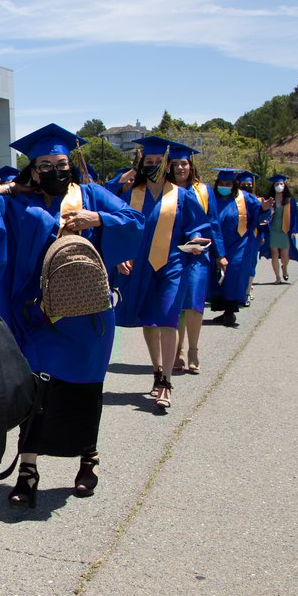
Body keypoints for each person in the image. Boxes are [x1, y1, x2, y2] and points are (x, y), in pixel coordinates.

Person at [0, 125, 142, 506]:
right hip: (36, 314)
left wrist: (99, 220)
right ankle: (27, 468)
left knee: (85, 387)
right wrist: (11, 188)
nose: (55, 170)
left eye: (61, 163)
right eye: (45, 164)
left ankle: (87, 458)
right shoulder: (19, 202)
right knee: (36, 390)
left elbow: (135, 222)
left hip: (86, 313)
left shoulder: (90, 195)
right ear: (33, 168)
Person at [110, 137, 212, 411]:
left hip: (172, 264)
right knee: (149, 320)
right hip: (139, 266)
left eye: (158, 162)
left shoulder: (181, 195)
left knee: (167, 318)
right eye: (149, 162)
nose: (154, 166)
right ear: (141, 164)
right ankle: (156, 370)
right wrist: (119, 255)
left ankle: (166, 381)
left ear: (167, 165)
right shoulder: (131, 194)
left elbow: (198, 226)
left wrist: (196, 241)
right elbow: (116, 226)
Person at [166, 144, 226, 374]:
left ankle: (193, 351)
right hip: (173, 254)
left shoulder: (204, 191)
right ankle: (178, 351)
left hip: (198, 254)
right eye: (175, 164)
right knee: (177, 304)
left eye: (184, 163)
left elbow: (213, 224)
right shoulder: (165, 190)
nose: (180, 167)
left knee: (194, 303)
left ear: (191, 166)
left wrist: (220, 255)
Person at [207, 169, 261, 327]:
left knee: (233, 275)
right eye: (222, 184)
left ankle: (230, 312)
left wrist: (264, 209)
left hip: (239, 244)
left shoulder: (245, 199)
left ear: (234, 185)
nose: (225, 186)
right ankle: (224, 311)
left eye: (228, 184)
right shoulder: (211, 198)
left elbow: (258, 217)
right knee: (216, 277)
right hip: (216, 243)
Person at [262, 173, 298, 283]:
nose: (279, 186)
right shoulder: (269, 200)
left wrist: (294, 230)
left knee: (285, 255)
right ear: (273, 186)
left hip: (285, 230)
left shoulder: (289, 200)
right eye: (277, 184)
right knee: (274, 253)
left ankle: (285, 268)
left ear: (284, 185)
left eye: (281, 184)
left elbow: (295, 216)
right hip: (272, 230)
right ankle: (277, 277)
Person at [236, 171, 262, 304]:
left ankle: (247, 291)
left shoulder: (257, 200)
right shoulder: (234, 199)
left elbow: (263, 219)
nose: (247, 186)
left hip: (254, 235)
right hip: (236, 236)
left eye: (249, 184)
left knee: (251, 263)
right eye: (244, 184)